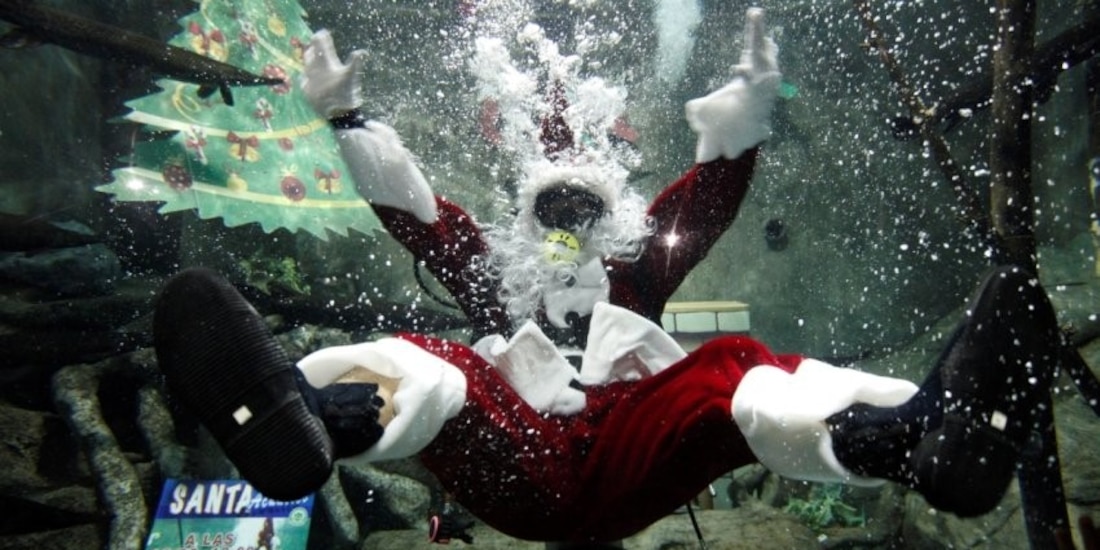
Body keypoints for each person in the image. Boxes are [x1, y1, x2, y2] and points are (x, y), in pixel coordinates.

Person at [153, 9, 1066, 544]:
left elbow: (698, 205)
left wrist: (742, 121)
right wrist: (349, 121)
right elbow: (425, 216)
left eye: (579, 217)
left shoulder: (635, 272)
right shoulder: (492, 271)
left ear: (608, 220)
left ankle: (909, 437)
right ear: (525, 214)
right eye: (550, 215)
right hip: (513, 458)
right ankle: (308, 421)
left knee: (727, 374)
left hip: (630, 450)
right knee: (436, 367)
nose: (562, 237)